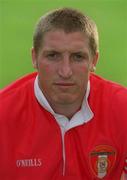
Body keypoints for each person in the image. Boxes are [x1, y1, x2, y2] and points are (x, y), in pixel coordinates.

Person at [0, 7, 127, 180]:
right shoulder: (3, 113)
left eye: (77, 57)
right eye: (53, 55)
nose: (65, 71)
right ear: (34, 57)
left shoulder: (123, 109)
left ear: (94, 61)